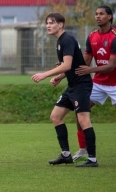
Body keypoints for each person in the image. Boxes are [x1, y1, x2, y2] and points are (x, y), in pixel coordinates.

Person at [31, 12, 98, 167]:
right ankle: (66, 154)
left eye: (51, 22)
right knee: (55, 116)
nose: (48, 25)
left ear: (60, 24)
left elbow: (67, 65)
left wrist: (44, 74)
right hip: (73, 85)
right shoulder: (61, 41)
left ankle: (92, 159)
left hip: (81, 85)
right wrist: (60, 77)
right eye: (47, 23)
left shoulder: (66, 39)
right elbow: (70, 66)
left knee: (83, 120)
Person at [72, 5, 116, 162]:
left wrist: (90, 69)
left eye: (102, 14)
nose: (98, 16)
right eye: (96, 14)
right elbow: (85, 61)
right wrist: (68, 66)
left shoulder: (115, 36)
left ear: (109, 17)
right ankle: (83, 149)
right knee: (80, 111)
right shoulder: (91, 37)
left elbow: (111, 66)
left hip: (115, 84)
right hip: (98, 83)